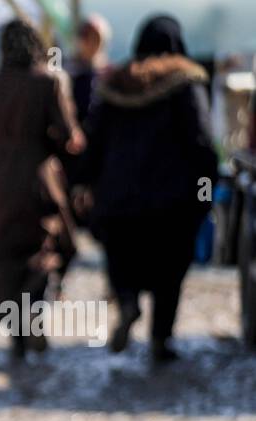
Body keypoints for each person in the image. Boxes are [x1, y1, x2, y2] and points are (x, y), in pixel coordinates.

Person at [80, 15, 217, 362]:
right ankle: (161, 339)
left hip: (118, 202)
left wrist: (83, 183)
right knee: (169, 273)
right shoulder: (186, 82)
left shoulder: (116, 83)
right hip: (170, 205)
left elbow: (93, 141)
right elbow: (201, 144)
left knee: (121, 260)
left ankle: (126, 302)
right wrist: (204, 193)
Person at [0, 19, 83, 361]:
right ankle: (34, 314)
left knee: (4, 262)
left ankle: (17, 342)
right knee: (47, 253)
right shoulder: (48, 83)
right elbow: (70, 138)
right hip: (37, 183)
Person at [69, 14, 113, 126]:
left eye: (96, 39)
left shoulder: (108, 73)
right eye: (87, 37)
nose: (91, 43)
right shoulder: (68, 69)